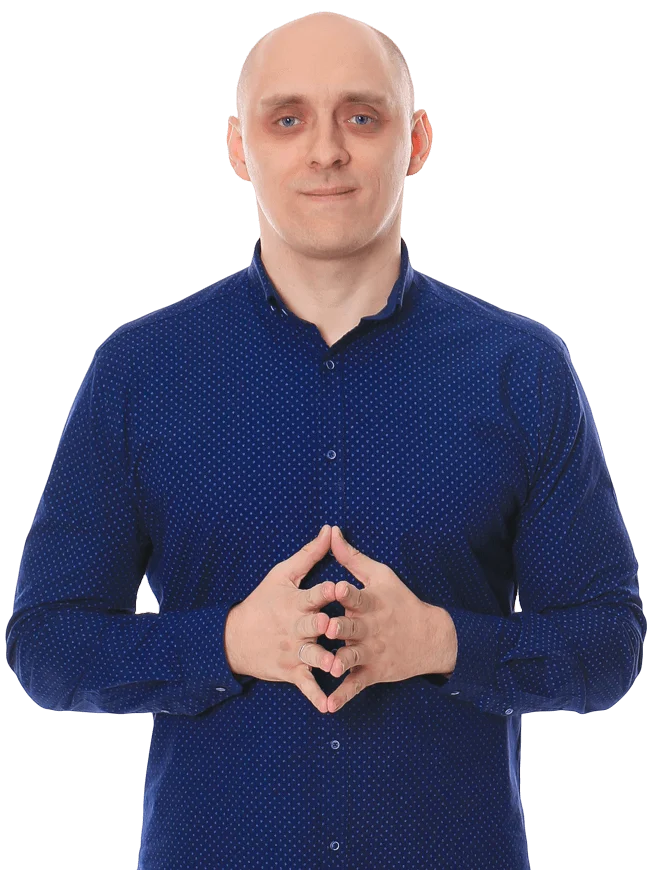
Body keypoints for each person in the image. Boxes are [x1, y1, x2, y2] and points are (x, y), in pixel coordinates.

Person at [6, 11, 645, 870]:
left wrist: (443, 643)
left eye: (361, 116)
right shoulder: (140, 371)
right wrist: (227, 643)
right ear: (239, 147)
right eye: (288, 119)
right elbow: (45, 645)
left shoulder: (520, 370)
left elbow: (609, 643)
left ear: (416, 139)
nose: (327, 151)